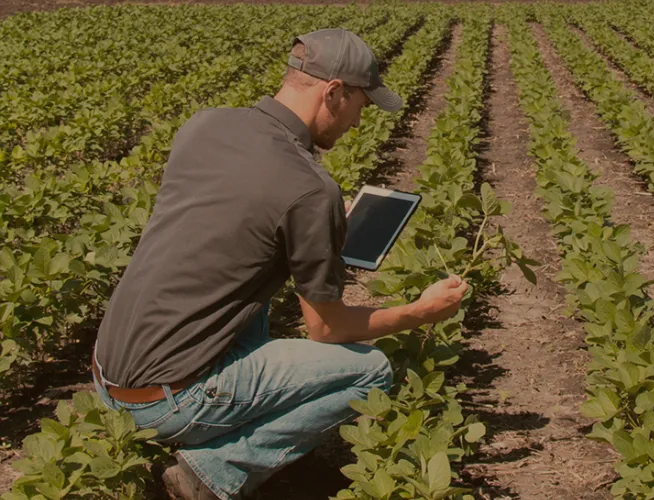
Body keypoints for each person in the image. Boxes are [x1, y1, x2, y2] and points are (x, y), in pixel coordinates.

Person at [89, 28, 468, 500]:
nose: (358, 122)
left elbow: (234, 225)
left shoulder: (207, 123)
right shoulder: (309, 188)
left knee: (254, 292)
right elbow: (326, 331)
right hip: (166, 404)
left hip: (108, 377)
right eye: (361, 106)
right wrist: (421, 311)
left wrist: (319, 231)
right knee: (370, 370)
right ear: (334, 92)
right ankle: (212, 472)